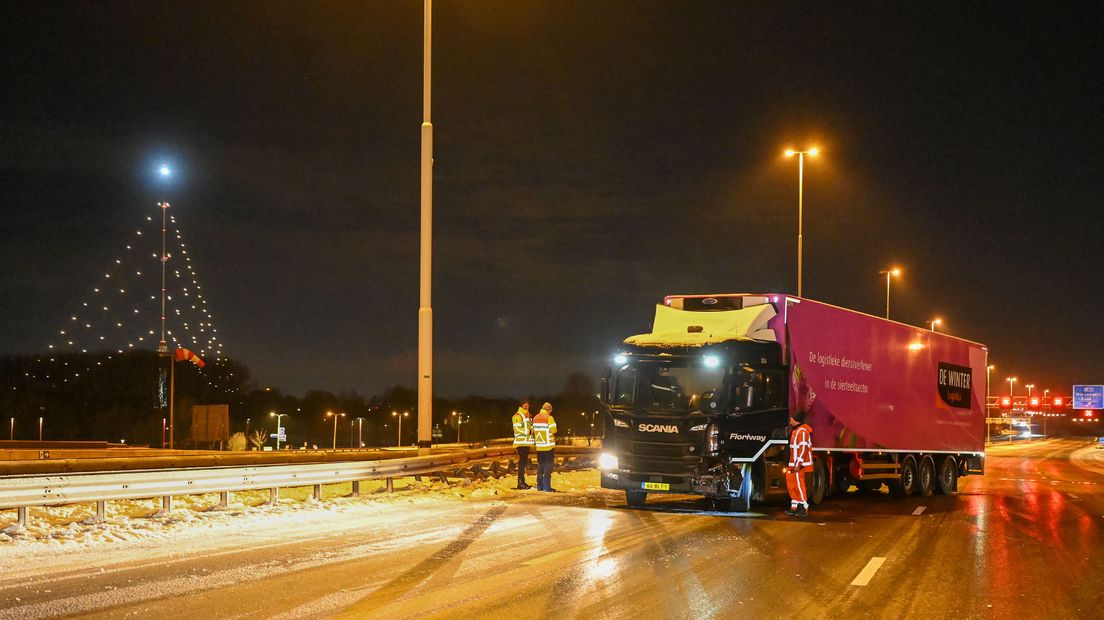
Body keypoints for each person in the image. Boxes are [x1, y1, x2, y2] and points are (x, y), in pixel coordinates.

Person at [785, 410, 814, 517]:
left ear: (796, 420)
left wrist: (798, 463)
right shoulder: (796, 431)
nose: (790, 420)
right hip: (793, 464)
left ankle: (803, 507)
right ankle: (795, 506)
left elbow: (803, 448)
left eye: (792, 418)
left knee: (799, 485)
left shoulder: (802, 432)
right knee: (792, 485)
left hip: (799, 465)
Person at [532, 402, 558, 492]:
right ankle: (547, 486)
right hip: (548, 446)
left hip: (539, 446)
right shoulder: (549, 418)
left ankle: (539, 486)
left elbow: (533, 431)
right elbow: (553, 430)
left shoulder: (535, 418)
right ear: (549, 410)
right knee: (548, 466)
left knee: (540, 466)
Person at [511, 401, 534, 489]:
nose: (527, 406)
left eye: (528, 405)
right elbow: (517, 429)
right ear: (521, 406)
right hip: (520, 442)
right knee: (522, 463)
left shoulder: (528, 415)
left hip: (526, 442)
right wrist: (528, 431)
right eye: (525, 405)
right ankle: (520, 483)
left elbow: (529, 426)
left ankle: (522, 482)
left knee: (523, 463)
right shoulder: (518, 415)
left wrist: (532, 429)